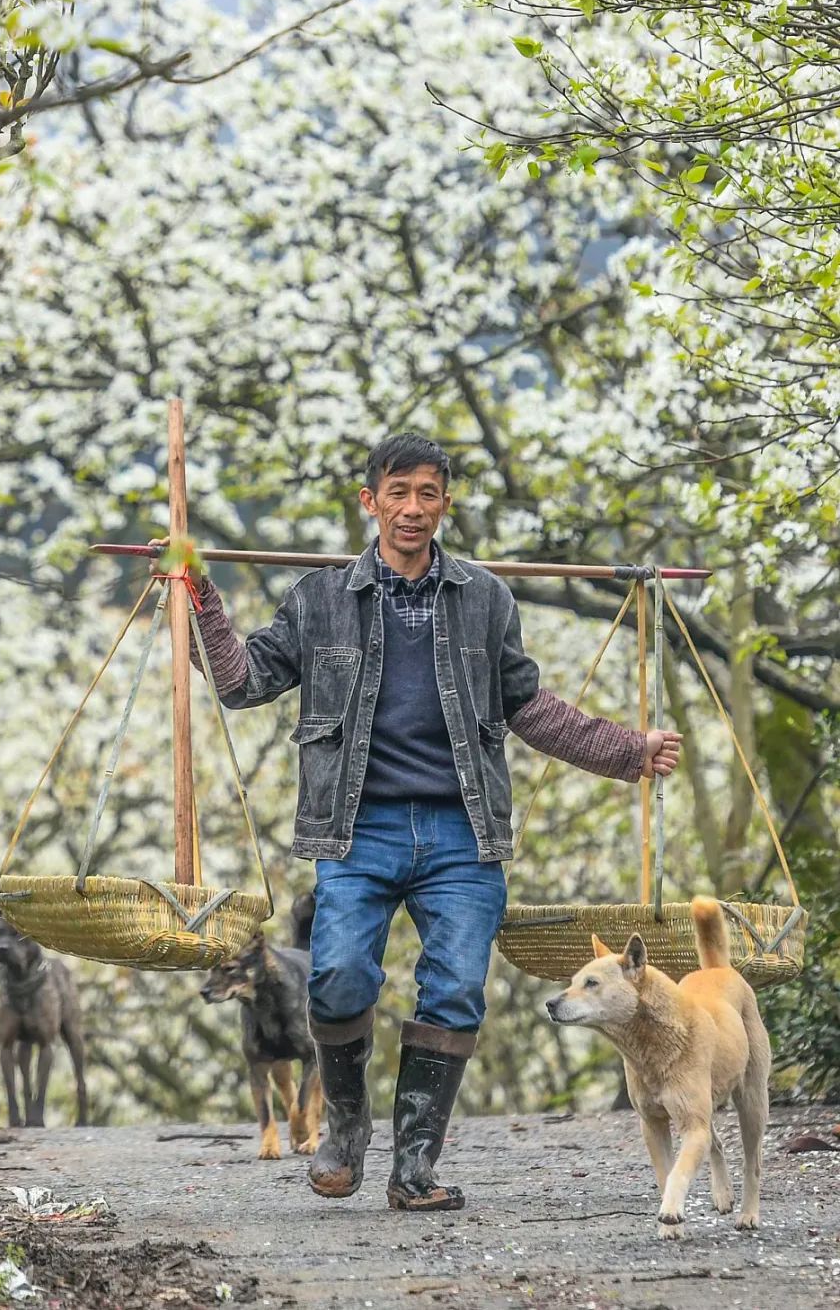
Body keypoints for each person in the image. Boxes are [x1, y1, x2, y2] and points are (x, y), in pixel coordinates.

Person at [164, 433, 681, 1213]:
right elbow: (242, 680)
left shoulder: (484, 599)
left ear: (445, 504)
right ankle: (344, 1130)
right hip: (356, 828)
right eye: (397, 493)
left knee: (456, 991)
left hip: (461, 834)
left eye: (428, 494)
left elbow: (530, 708)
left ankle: (415, 1165)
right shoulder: (320, 599)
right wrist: (196, 592)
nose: (412, 509)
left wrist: (627, 751)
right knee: (336, 978)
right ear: (370, 501)